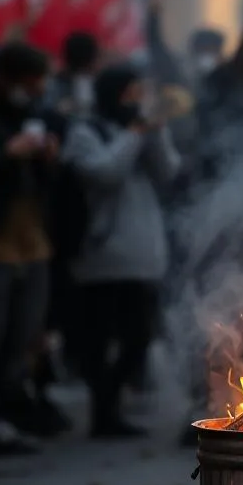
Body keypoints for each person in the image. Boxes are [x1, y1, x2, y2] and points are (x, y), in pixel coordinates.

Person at [62, 64, 181, 437]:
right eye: (131, 93)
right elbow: (105, 172)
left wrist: (156, 132)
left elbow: (168, 172)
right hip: (100, 254)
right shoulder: (86, 131)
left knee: (139, 338)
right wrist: (134, 133)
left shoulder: (142, 129)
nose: (136, 101)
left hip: (141, 252)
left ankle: (110, 403)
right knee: (97, 340)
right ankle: (103, 413)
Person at [0, 43, 61, 455]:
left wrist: (46, 156)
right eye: (29, 83)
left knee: (24, 331)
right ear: (6, 78)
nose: (36, 90)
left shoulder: (34, 114)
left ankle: (9, 409)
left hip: (33, 237)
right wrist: (4, 154)